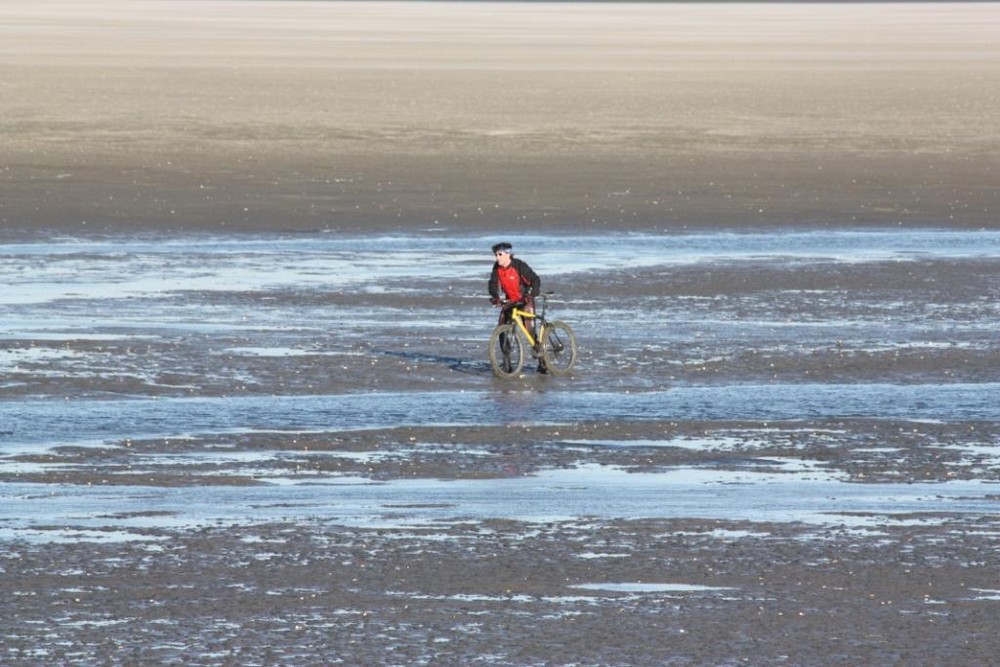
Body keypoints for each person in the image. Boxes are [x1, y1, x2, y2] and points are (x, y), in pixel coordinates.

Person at [488, 241, 546, 372]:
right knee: (502, 327)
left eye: (500, 254)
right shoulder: (496, 268)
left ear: (508, 254)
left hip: (525, 300)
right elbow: (492, 283)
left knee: (530, 331)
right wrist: (495, 297)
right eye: (496, 255)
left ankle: (543, 361)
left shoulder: (519, 265)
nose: (497, 258)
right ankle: (507, 363)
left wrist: (530, 294)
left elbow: (535, 280)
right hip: (511, 301)